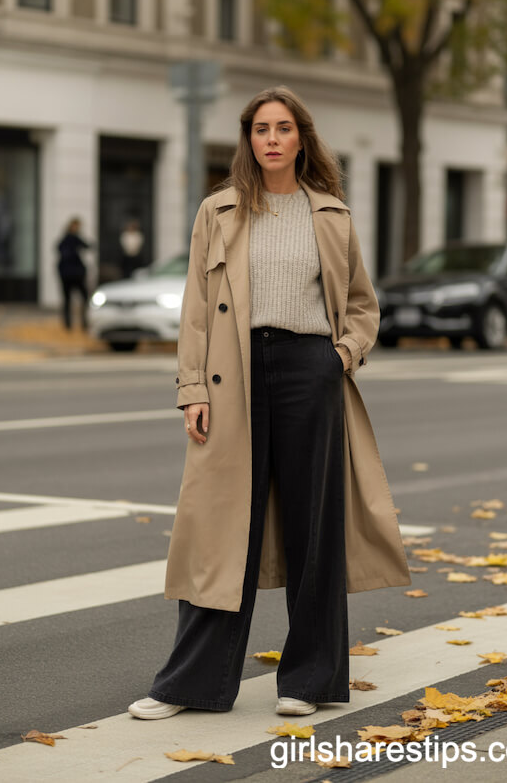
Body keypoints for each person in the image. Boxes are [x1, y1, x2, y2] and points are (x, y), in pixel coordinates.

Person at [128, 85, 411, 721]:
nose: (273, 139)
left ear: (302, 138)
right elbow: (195, 313)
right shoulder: (219, 211)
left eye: (284, 128)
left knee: (315, 529)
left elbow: (364, 305)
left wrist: (340, 356)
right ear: (248, 140)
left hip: (312, 372)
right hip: (235, 374)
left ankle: (309, 680)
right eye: (261, 129)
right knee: (221, 528)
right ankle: (190, 686)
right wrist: (192, 389)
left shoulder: (331, 215)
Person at [56, 217, 91, 330]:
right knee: (76, 298)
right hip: (72, 274)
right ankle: (72, 323)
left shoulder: (70, 239)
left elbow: (87, 246)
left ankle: (76, 323)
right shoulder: (70, 239)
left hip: (71, 274)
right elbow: (87, 246)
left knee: (73, 298)